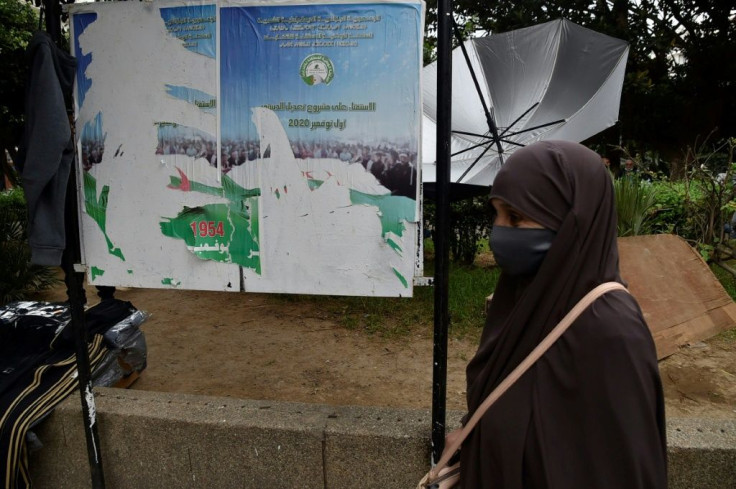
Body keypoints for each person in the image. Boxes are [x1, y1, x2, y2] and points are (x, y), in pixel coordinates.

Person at [450, 141, 667, 488]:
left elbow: (624, 469)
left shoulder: (611, 333)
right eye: (497, 215)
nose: (499, 232)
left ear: (570, 222)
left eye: (516, 217)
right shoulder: (524, 299)